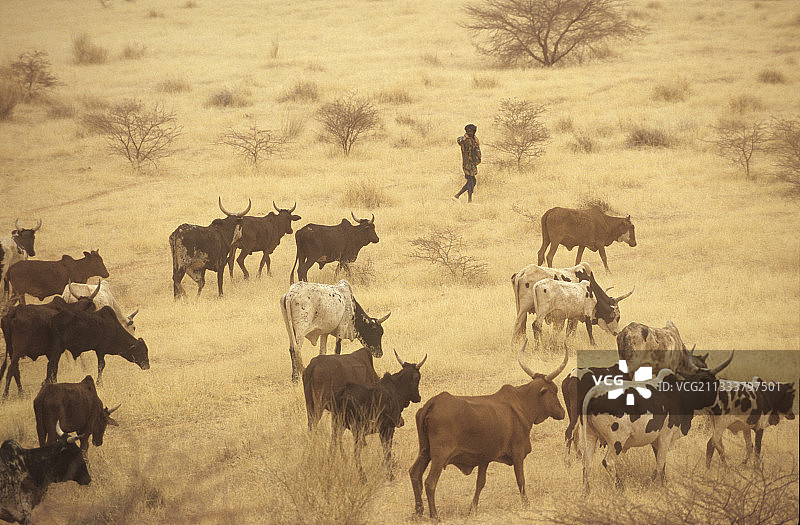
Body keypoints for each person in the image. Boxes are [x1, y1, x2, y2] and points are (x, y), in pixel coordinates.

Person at [453, 124, 481, 203]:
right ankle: (460, 197)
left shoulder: (474, 139)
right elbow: (459, 140)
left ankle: (462, 197)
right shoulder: (466, 140)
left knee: (472, 181)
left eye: (471, 131)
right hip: (468, 164)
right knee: (471, 181)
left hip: (472, 163)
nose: (469, 133)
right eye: (468, 131)